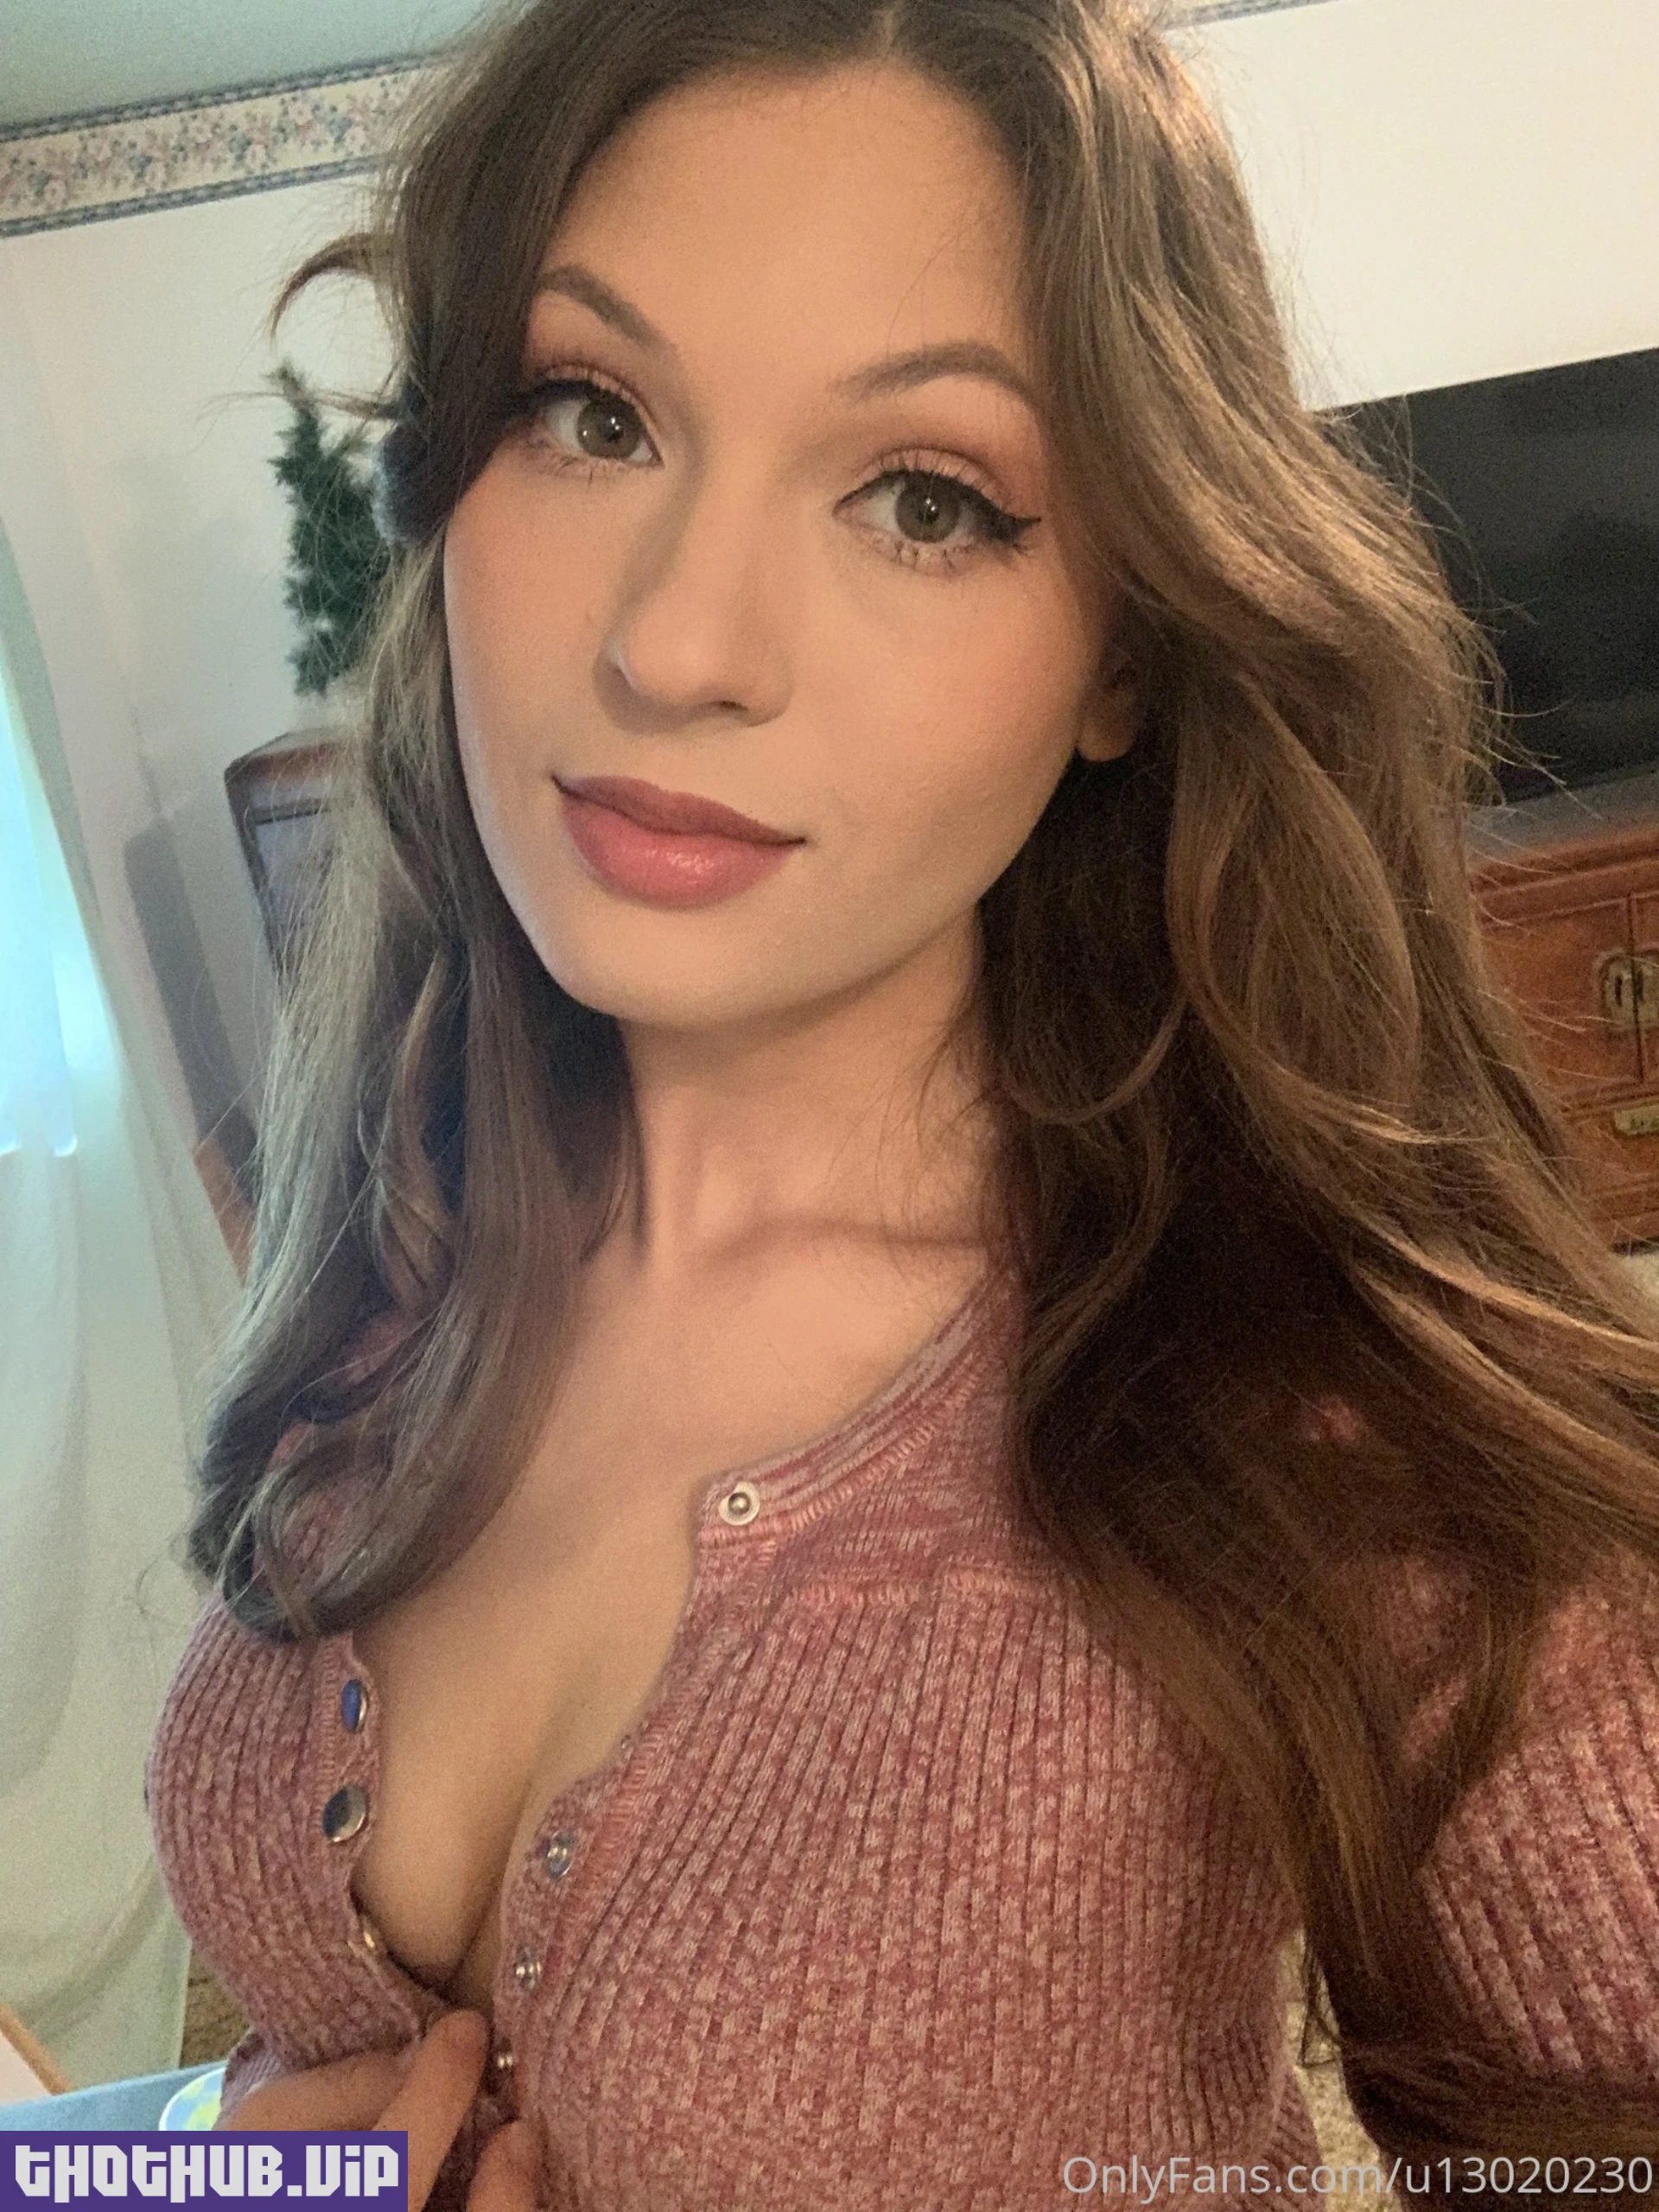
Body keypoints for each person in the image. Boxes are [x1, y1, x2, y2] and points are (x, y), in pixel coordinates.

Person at [146, 1, 1659, 2206]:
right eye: (591, 412)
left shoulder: (1308, 1395)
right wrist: (212, 2162)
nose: (680, 644)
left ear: (1128, 646)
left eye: (924, 499)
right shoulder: (405, 1210)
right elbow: (269, 2084)